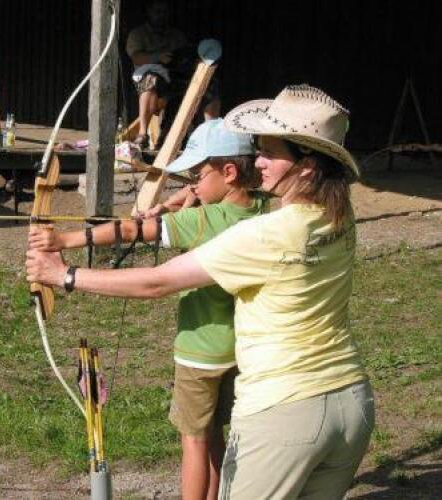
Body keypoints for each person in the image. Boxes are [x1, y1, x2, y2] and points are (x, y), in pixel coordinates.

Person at [27, 84, 374, 499]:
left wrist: (63, 275)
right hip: (351, 405)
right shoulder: (339, 216)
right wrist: (188, 193)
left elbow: (157, 282)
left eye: (270, 153)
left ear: (308, 167)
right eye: (258, 150)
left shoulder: (265, 234)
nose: (258, 162)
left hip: (284, 415)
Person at [31, 119, 266, 499]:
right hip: (237, 350)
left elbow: (129, 231)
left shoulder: (203, 220)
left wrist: (62, 240)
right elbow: (211, 197)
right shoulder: (263, 210)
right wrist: (180, 201)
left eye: (197, 174)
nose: (192, 184)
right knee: (214, 434)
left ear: (229, 172)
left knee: (193, 440)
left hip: (199, 353)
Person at [125, 0, 187, 149]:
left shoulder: (176, 35)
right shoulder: (138, 34)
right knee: (150, 79)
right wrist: (158, 57)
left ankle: (170, 137)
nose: (161, 15)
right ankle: (142, 134)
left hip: (174, 76)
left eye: (164, 12)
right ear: (149, 13)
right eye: (158, 12)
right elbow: (136, 57)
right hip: (148, 76)